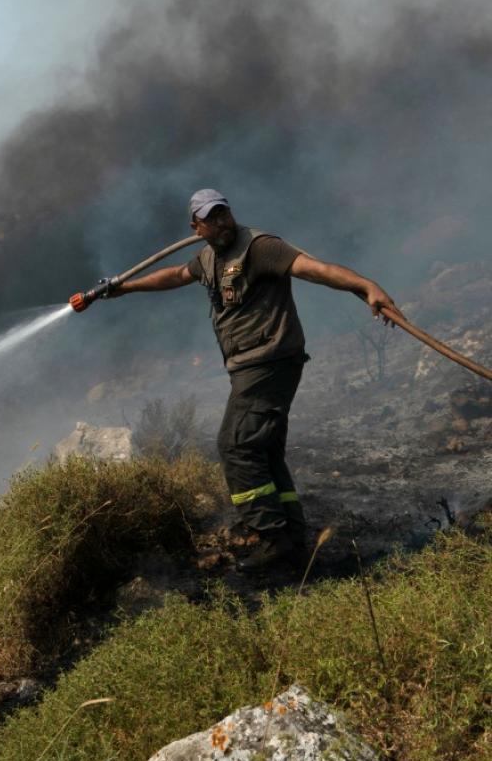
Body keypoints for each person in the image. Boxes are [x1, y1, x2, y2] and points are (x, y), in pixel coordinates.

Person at [109, 189, 401, 572]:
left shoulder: (260, 248)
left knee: (235, 446)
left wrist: (366, 287)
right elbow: (177, 275)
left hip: (270, 362)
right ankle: (292, 536)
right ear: (196, 227)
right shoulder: (208, 257)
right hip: (249, 366)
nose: (221, 222)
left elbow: (316, 269)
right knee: (263, 450)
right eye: (210, 218)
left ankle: (271, 536)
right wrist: (124, 287)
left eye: (223, 213)